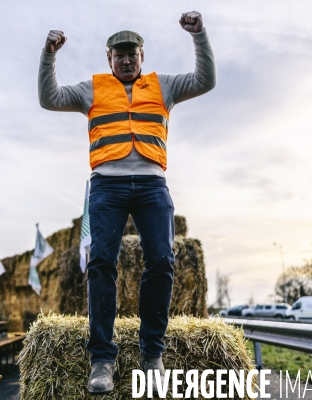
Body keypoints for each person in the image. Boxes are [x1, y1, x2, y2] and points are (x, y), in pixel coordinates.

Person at [38, 11, 216, 395]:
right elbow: (49, 98)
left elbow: (205, 80)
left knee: (163, 261)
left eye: (132, 53)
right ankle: (102, 358)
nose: (125, 60)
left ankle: (152, 354)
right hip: (107, 187)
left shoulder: (164, 86)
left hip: (153, 186)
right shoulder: (91, 90)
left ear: (142, 56)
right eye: (118, 55)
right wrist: (49, 54)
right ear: (109, 59)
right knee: (101, 261)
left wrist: (198, 35)